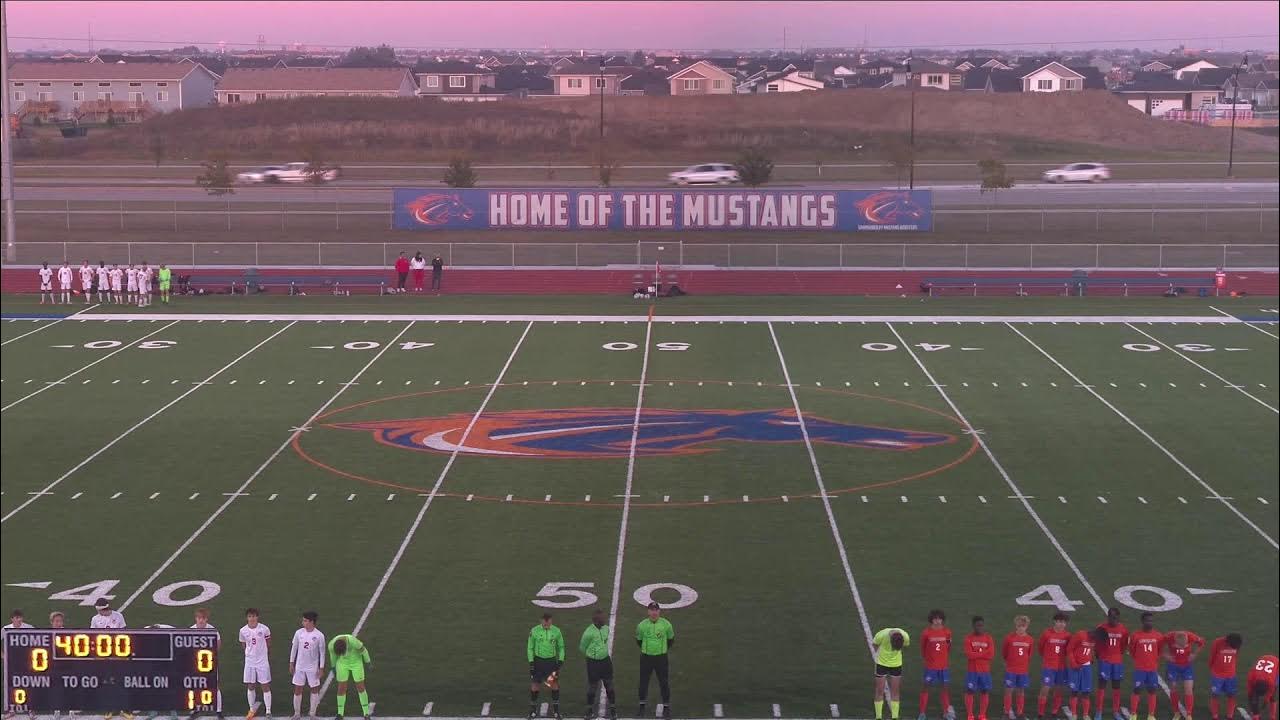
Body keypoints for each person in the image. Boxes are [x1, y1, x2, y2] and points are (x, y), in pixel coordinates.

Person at [636, 602, 675, 719]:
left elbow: (671, 640)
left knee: (664, 682)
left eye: (656, 610)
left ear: (659, 611)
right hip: (646, 657)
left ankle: (666, 707)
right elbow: (639, 640)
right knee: (643, 682)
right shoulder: (641, 625)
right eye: (652, 610)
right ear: (648, 612)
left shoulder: (666, 624)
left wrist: (661, 649)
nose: (654, 612)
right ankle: (642, 706)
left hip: (661, 658)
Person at [579, 609, 616, 720]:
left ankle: (613, 709)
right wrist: (593, 655)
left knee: (609, 685)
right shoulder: (588, 632)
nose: (604, 620)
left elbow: (604, 641)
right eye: (602, 619)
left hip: (605, 661)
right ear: (596, 621)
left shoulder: (606, 629)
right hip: (593, 663)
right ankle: (589, 710)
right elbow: (582, 647)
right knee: (592, 687)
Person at [528, 612, 566, 719]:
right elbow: (530, 647)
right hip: (538, 662)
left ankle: (556, 712)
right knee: (535, 685)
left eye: (548, 623)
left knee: (553, 684)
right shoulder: (534, 631)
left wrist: (560, 661)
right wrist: (531, 663)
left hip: (551, 663)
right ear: (541, 621)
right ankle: (532, 711)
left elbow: (561, 647)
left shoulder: (556, 631)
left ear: (551, 621)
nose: (546, 625)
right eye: (545, 624)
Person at [921, 609, 957, 720]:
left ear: (942, 620)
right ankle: (922, 713)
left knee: (945, 688)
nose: (937, 621)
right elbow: (923, 648)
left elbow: (948, 646)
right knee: (926, 688)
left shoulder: (947, 632)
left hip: (943, 666)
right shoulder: (926, 633)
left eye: (939, 618)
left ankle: (946, 712)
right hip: (930, 666)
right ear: (931, 620)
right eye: (935, 618)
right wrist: (929, 660)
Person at [190, 607, 225, 720]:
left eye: (203, 618)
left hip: (209, 662)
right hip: (196, 662)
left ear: (206, 619)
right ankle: (196, 709)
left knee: (215, 685)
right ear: (196, 618)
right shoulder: (191, 630)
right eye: (199, 618)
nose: (201, 620)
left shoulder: (212, 630)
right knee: (196, 685)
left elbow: (218, 644)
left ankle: (219, 711)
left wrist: (211, 655)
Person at [289, 611, 325, 720]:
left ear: (311, 622)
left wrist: (321, 667)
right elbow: (294, 648)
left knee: (314, 689)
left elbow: (322, 653)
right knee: (298, 689)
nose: (303, 622)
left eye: (305, 620)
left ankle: (312, 714)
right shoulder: (298, 633)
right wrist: (291, 663)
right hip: (299, 666)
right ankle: (297, 714)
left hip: (312, 667)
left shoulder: (319, 635)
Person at [327, 633, 372, 720]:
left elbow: (363, 650)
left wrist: (368, 661)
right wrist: (333, 667)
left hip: (356, 663)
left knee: (360, 687)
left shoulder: (353, 641)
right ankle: (340, 714)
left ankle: (366, 713)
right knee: (341, 688)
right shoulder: (331, 645)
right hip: (342, 664)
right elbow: (333, 656)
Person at [1094, 608, 1129, 720]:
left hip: (1117, 661)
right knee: (1102, 685)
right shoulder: (1101, 628)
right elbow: (1097, 644)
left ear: (1118, 617)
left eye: (1114, 617)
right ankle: (1099, 711)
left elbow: (1123, 646)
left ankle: (1115, 711)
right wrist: (1100, 656)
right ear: (1108, 617)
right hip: (1104, 660)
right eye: (1110, 617)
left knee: (1116, 686)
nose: (1112, 619)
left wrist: (1118, 656)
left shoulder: (1123, 629)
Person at [1163, 630, 1205, 720]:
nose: (1182, 648)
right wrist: (1165, 655)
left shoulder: (1191, 636)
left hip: (1187, 666)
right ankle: (1176, 712)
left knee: (1188, 689)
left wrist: (1194, 654)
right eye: (1180, 646)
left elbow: (1201, 642)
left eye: (1184, 645)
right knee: (1173, 687)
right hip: (1173, 667)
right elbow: (1158, 644)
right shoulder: (1168, 636)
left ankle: (1189, 714)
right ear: (1175, 640)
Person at [1037, 613, 1072, 720]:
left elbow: (1069, 650)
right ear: (1055, 622)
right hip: (1049, 667)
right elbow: (1040, 648)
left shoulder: (1068, 636)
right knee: (1045, 689)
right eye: (1059, 621)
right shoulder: (1047, 634)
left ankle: (1054, 712)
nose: (1061, 624)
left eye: (1063, 622)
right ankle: (1040, 713)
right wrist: (1049, 658)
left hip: (1061, 667)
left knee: (1059, 690)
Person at [1127, 612, 1163, 720]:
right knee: (1137, 690)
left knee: (1152, 690)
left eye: (1151, 621)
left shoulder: (1158, 635)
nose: (1150, 623)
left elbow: (1160, 651)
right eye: (1147, 620)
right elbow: (1132, 651)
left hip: (1152, 669)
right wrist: (1139, 661)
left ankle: (1151, 715)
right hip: (1140, 669)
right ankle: (1133, 713)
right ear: (1142, 621)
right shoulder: (1135, 635)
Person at [239, 608, 272, 719]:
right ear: (247, 618)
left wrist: (262, 654)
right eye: (250, 616)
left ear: (257, 617)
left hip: (262, 661)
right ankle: (251, 709)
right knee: (251, 685)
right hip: (250, 661)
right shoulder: (243, 630)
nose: (252, 618)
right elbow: (243, 644)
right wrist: (250, 654)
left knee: (265, 685)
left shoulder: (264, 629)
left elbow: (268, 642)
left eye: (254, 616)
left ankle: (268, 711)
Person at [874, 626, 911, 720]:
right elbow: (875, 644)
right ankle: (878, 717)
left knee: (895, 691)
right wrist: (881, 655)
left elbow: (906, 645)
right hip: (882, 664)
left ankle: (895, 717)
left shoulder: (905, 636)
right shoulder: (881, 635)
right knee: (879, 690)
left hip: (896, 665)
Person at [1065, 627, 1101, 720]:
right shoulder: (1080, 635)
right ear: (1093, 633)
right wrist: (1073, 663)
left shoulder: (1095, 638)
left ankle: (1085, 714)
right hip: (1075, 666)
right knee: (1074, 691)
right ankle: (1074, 714)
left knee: (1086, 692)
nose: (1095, 641)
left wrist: (1091, 657)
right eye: (1095, 638)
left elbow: (1091, 649)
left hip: (1086, 667)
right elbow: (1069, 649)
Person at [1002, 616, 1034, 720]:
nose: (1021, 628)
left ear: (1027, 626)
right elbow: (1004, 652)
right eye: (1019, 626)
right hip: (1011, 669)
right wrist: (1009, 662)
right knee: (1009, 690)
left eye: (1023, 626)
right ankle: (1006, 712)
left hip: (1023, 670)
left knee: (1021, 691)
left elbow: (1029, 654)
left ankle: (1020, 712)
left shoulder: (1030, 639)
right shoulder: (1009, 638)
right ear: (1016, 625)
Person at [964, 617, 995, 720]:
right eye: (978, 625)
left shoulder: (988, 638)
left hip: (985, 671)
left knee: (985, 692)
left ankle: (982, 715)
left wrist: (976, 654)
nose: (980, 627)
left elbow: (991, 655)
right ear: (973, 626)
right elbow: (969, 655)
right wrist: (983, 654)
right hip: (972, 671)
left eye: (981, 625)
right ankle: (970, 714)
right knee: (970, 691)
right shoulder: (968, 638)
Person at [1209, 634, 1244, 720]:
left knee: (1232, 695)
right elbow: (1212, 656)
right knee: (1215, 695)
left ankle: (1230, 716)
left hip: (1231, 675)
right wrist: (1214, 670)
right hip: (1217, 675)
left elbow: (1236, 656)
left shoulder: (1237, 644)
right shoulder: (1217, 642)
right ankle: (1215, 716)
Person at [1246, 655, 1277, 720]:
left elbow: (1269, 694)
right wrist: (1250, 698)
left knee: (1272, 696)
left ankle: (1273, 717)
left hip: (1277, 664)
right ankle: (1256, 715)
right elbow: (1250, 692)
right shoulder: (1251, 677)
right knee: (1253, 696)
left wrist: (1266, 701)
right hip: (1263, 659)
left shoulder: (1271, 683)